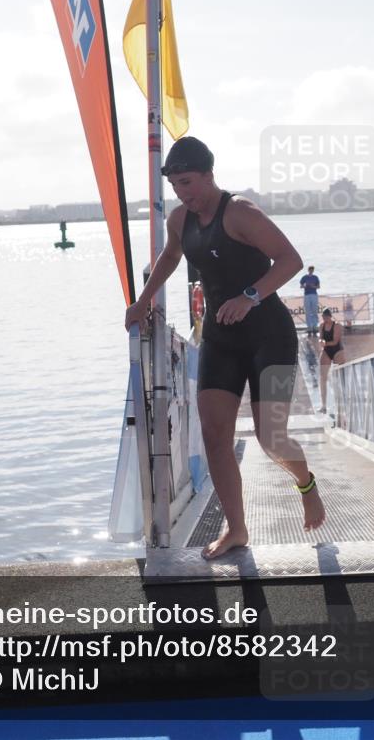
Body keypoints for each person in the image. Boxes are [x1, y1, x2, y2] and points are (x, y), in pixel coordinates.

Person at [124, 136, 325, 559]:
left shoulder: (241, 213)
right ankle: (237, 529)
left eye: (189, 182)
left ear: (209, 175)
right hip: (221, 339)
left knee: (272, 439)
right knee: (216, 437)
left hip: (270, 334)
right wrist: (144, 300)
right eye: (177, 185)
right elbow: (172, 258)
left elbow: (289, 259)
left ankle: (305, 482)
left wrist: (249, 295)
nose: (184, 193)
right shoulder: (178, 219)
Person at [318, 308, 345, 414]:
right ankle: (323, 406)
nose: (324, 319)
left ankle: (343, 403)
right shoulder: (322, 326)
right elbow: (320, 338)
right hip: (326, 351)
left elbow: (335, 341)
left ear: (330, 316)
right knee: (322, 378)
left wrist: (325, 343)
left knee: (341, 377)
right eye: (323, 317)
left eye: (326, 317)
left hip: (337, 350)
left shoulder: (337, 325)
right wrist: (321, 341)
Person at [299, 265, 321, 335]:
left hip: (314, 294)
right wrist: (305, 286)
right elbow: (301, 286)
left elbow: (318, 286)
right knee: (308, 311)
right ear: (308, 270)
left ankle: (315, 326)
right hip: (307, 295)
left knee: (314, 310)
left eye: (312, 270)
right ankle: (309, 327)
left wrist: (313, 286)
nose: (311, 271)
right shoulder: (304, 277)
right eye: (310, 269)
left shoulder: (315, 277)